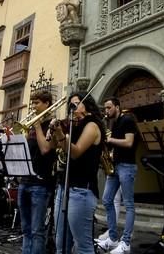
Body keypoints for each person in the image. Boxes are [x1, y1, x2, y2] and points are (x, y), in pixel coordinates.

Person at [50, 92, 105, 254]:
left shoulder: (92, 125)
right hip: (64, 187)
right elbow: (56, 147)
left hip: (81, 190)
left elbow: (75, 152)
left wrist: (61, 133)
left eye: (76, 104)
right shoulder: (74, 126)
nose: (72, 108)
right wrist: (53, 131)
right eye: (70, 106)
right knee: (61, 243)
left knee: (83, 246)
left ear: (86, 105)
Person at [18, 90, 56, 254]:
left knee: (36, 231)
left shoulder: (52, 124)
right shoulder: (33, 125)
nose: (33, 106)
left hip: (40, 183)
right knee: (25, 229)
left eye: (37, 103)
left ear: (47, 103)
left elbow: (45, 149)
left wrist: (38, 125)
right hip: (25, 181)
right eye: (32, 103)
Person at [97, 97, 138, 254]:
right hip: (116, 165)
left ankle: (126, 242)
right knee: (107, 199)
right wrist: (110, 154)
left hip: (127, 166)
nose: (106, 111)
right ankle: (113, 238)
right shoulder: (114, 124)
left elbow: (128, 142)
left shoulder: (127, 120)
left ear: (117, 107)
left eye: (109, 108)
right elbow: (117, 146)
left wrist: (110, 140)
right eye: (105, 108)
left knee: (128, 204)